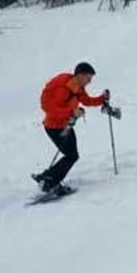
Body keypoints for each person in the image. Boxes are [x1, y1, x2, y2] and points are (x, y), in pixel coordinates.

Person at [33, 62, 109, 194]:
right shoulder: (64, 88)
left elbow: (87, 101)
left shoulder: (78, 87)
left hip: (66, 125)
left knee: (71, 155)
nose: (90, 81)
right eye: (88, 78)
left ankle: (47, 177)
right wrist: (71, 112)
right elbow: (49, 108)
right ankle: (49, 182)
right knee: (72, 155)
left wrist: (102, 98)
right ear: (80, 75)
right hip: (54, 127)